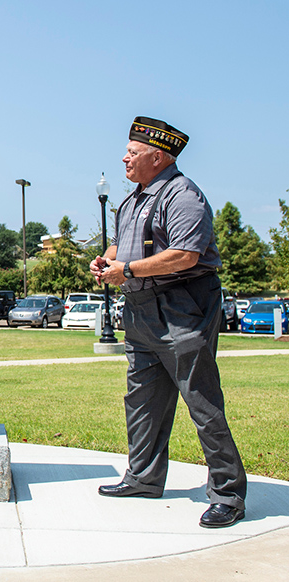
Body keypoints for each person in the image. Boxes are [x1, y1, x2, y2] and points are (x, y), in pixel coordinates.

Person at [90, 117, 247, 528]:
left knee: (201, 400)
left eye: (133, 152)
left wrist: (128, 269)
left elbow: (184, 256)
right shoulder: (135, 198)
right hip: (141, 312)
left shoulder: (183, 196)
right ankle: (143, 477)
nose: (125, 157)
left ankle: (228, 495)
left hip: (181, 309)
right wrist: (108, 260)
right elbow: (123, 245)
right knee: (141, 398)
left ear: (157, 157)